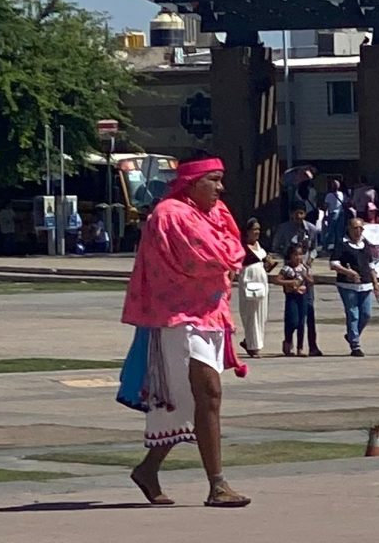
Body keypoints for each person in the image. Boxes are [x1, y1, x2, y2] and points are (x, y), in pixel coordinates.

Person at [120, 153, 251, 508]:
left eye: (222, 180)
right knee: (207, 394)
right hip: (176, 317)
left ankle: (148, 469)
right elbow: (208, 256)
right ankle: (218, 484)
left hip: (210, 312)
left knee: (188, 401)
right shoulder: (170, 214)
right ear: (192, 183)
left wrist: (231, 256)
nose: (221, 188)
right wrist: (231, 257)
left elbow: (234, 248)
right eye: (214, 180)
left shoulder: (215, 212)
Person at [273, 206, 322, 356]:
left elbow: (315, 247)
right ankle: (289, 341)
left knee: (308, 310)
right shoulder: (284, 228)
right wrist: (288, 257)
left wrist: (309, 260)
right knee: (292, 314)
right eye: (296, 213)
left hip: (305, 271)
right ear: (291, 214)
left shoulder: (311, 229)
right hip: (290, 274)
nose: (298, 216)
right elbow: (276, 246)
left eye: (301, 213)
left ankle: (311, 345)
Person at [330, 217, 379, 357]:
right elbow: (334, 264)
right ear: (349, 229)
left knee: (366, 314)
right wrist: (349, 272)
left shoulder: (365, 244)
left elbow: (371, 266)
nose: (358, 231)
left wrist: (376, 283)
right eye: (355, 228)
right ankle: (355, 345)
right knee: (353, 314)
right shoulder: (342, 243)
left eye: (360, 228)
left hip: (365, 284)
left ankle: (352, 334)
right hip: (347, 285)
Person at [238, 218, 277, 358]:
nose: (257, 232)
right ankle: (254, 347)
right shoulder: (241, 247)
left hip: (262, 282)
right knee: (251, 315)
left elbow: (267, 263)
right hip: (249, 281)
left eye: (259, 229)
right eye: (254, 229)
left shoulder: (260, 246)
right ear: (247, 231)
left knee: (261, 315)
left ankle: (250, 342)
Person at [276, 244, 312, 356]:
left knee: (301, 322)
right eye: (295, 254)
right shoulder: (286, 269)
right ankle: (287, 341)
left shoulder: (304, 268)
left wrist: (306, 277)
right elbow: (277, 280)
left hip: (303, 297)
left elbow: (311, 281)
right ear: (290, 256)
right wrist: (290, 283)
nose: (298, 257)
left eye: (300, 254)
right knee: (292, 321)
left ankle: (300, 347)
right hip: (291, 297)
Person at [323, 178, 346, 251]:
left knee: (330, 231)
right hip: (341, 214)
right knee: (339, 232)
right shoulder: (342, 194)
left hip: (332, 214)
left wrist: (325, 214)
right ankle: (337, 247)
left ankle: (325, 247)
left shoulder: (329, 195)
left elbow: (325, 206)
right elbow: (346, 203)